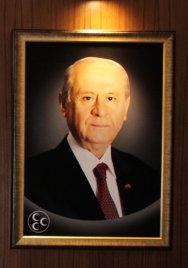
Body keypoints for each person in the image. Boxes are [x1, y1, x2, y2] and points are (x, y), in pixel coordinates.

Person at [25, 56, 159, 222]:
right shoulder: (29, 180)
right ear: (63, 104)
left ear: (126, 107)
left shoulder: (148, 178)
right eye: (87, 98)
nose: (100, 111)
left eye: (110, 98)